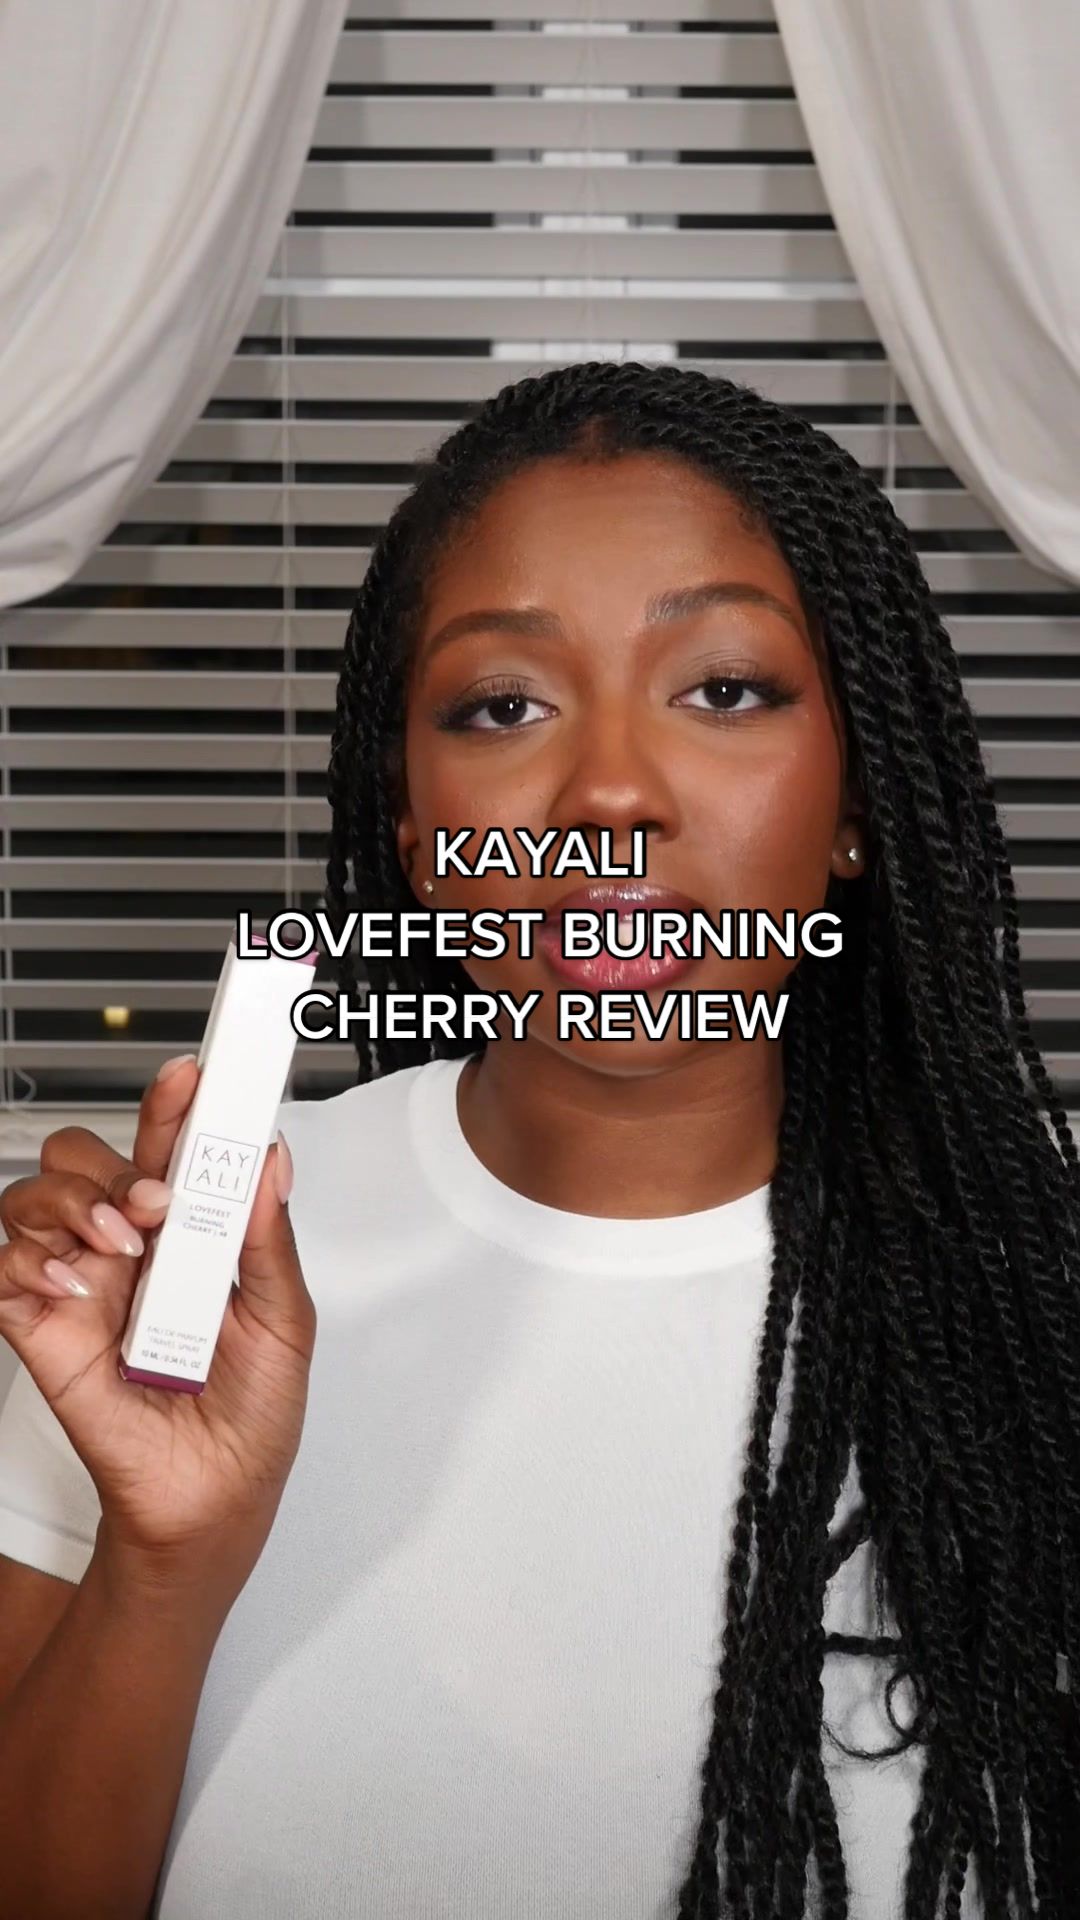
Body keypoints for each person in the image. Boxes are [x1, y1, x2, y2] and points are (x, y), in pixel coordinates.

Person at [0, 360, 1076, 1920]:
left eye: (725, 688)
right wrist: (162, 1564)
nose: (610, 795)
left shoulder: (1035, 1293)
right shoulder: (185, 1283)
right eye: (504, 706)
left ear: (858, 800)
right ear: (418, 823)